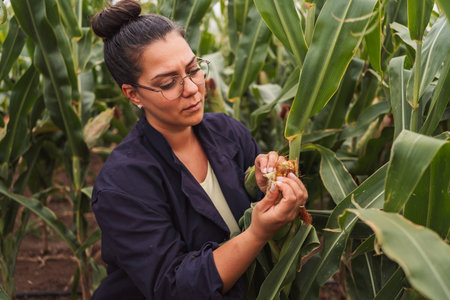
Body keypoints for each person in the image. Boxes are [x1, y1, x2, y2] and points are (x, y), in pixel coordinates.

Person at [90, 1, 308, 299]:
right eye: (168, 83)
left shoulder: (229, 133)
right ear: (133, 94)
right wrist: (257, 233)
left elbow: (257, 215)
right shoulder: (123, 184)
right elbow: (174, 287)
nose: (192, 88)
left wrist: (270, 186)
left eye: (193, 69)